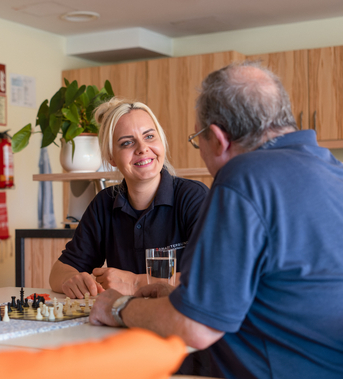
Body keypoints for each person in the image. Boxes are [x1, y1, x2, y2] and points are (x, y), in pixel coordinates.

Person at [89, 61, 343, 378]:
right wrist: (179, 299)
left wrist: (117, 307)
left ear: (219, 138)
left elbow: (196, 327)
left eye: (199, 139)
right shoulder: (334, 170)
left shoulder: (243, 177)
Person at [50, 98, 208, 299]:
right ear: (111, 158)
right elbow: (59, 271)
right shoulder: (104, 203)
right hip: (122, 321)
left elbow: (214, 278)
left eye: (149, 136)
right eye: (127, 142)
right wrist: (72, 280)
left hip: (179, 323)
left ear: (161, 142)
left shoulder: (194, 197)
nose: (142, 148)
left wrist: (134, 283)